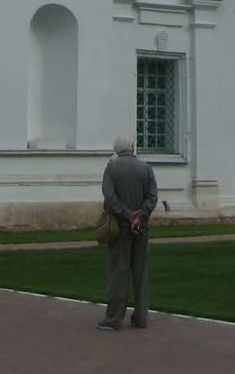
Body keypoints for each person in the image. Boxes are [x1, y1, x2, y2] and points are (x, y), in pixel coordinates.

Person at [97, 136, 158, 333]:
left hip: (121, 227)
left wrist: (126, 214)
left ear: (116, 149)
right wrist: (140, 216)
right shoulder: (146, 168)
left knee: (119, 272)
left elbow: (109, 196)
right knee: (141, 272)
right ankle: (141, 317)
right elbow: (152, 197)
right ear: (132, 147)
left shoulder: (112, 167)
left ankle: (114, 318)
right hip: (141, 227)